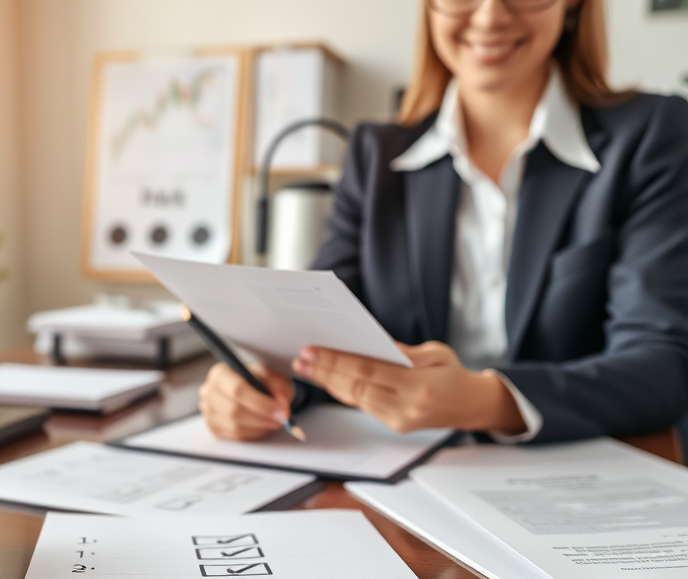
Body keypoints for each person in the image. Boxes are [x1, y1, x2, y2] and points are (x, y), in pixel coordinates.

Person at [200, 0, 688, 444]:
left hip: (586, 475)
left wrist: (486, 401)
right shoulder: (375, 155)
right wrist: (263, 384)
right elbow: (316, 336)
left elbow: (663, 363)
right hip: (401, 479)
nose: (491, 15)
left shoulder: (653, 135)